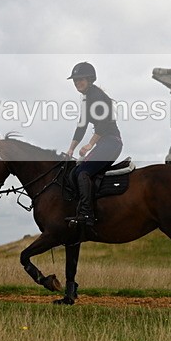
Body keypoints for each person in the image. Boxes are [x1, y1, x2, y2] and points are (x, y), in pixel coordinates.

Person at [65, 62, 123, 227]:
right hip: (105, 143)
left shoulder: (96, 96)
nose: (77, 83)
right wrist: (70, 150)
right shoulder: (87, 98)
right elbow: (81, 126)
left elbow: (103, 124)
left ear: (89, 79)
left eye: (80, 79)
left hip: (111, 142)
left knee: (82, 172)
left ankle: (87, 215)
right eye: (75, 80)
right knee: (76, 171)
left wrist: (89, 145)